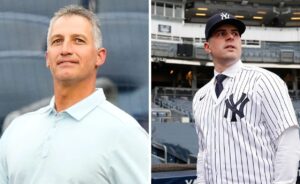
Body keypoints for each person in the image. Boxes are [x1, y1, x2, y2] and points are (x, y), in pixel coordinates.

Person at [0, 5, 149, 184]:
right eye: (57, 41)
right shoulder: (16, 130)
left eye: (78, 40)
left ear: (99, 56)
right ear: (48, 57)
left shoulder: (126, 134)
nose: (65, 50)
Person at [193, 12, 300, 184]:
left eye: (235, 33)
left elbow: (288, 141)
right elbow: (203, 152)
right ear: (207, 47)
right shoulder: (200, 96)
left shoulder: (264, 80)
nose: (230, 37)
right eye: (221, 33)